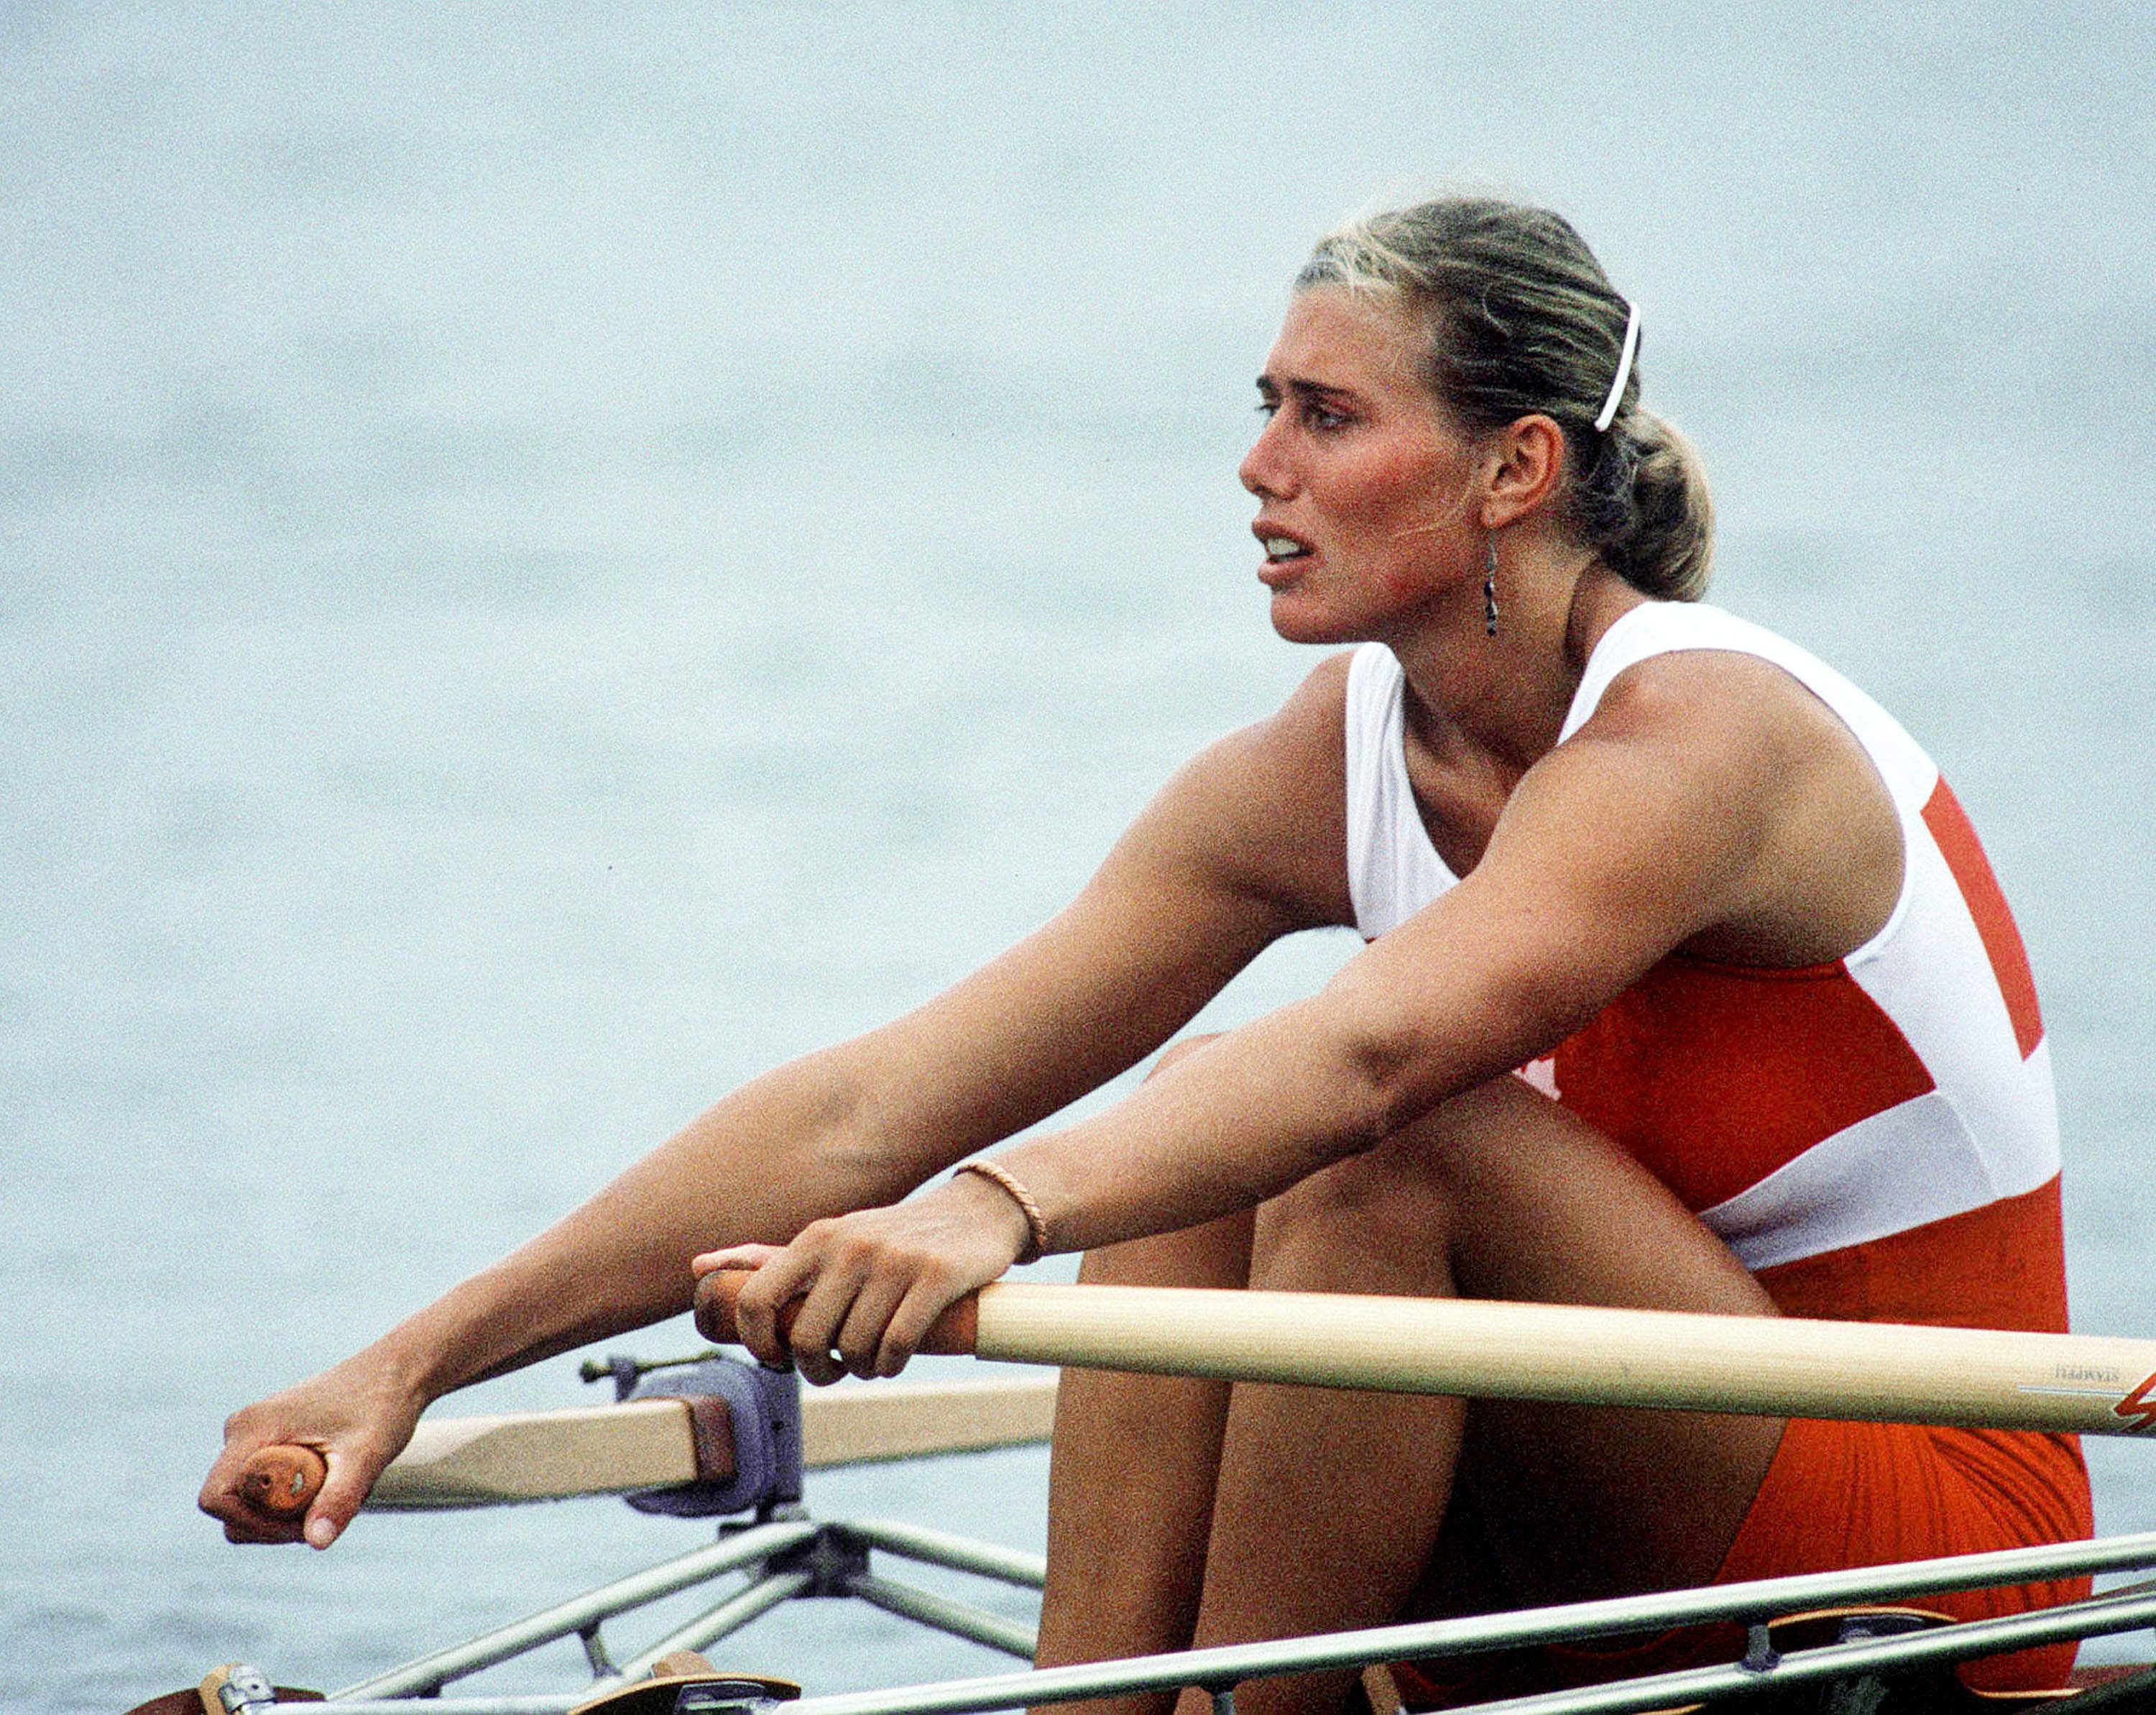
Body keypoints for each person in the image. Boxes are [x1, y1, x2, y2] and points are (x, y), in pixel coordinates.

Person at [201, 196, 2091, 1711]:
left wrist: (997, 1213)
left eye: (1328, 418)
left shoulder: (1704, 743)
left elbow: (1364, 1065)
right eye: (1261, 403)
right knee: (1198, 1122)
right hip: (1614, 1508)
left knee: (1370, 1139)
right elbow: (876, 1102)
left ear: (1516, 470)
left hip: (1927, 1568)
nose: (1257, 465)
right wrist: (411, 1360)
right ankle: (1092, 1702)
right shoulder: (1327, 765)